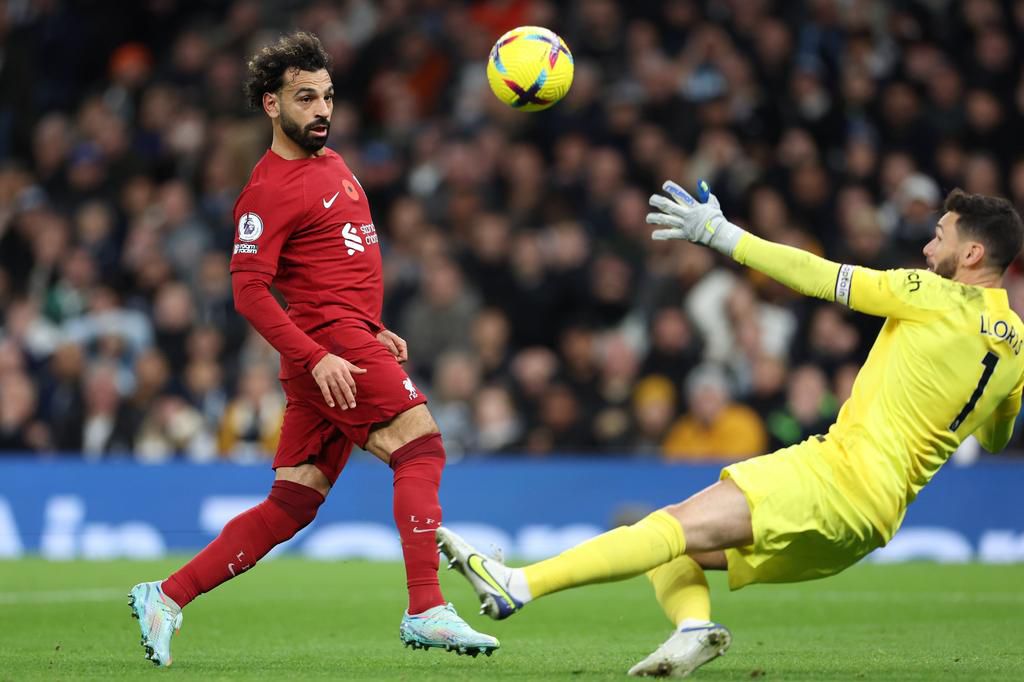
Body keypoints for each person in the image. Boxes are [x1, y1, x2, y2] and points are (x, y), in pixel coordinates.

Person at [437, 181, 1024, 677]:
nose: (926, 247)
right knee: (673, 545)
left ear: (971, 256)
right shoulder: (1017, 353)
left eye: (939, 237)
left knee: (664, 527)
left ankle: (517, 584)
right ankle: (694, 630)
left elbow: (821, 277)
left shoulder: (932, 295)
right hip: (870, 525)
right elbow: (995, 438)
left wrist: (722, 235)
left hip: (835, 476)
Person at [128, 32, 498, 667]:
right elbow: (248, 290)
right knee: (421, 448)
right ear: (271, 105)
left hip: (344, 340)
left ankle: (167, 594)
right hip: (328, 350)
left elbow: (330, 266)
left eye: (328, 96)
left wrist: (370, 326)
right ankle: (425, 608)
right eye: (306, 98)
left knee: (294, 501)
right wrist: (319, 353)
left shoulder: (331, 163)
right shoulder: (268, 189)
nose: (322, 109)